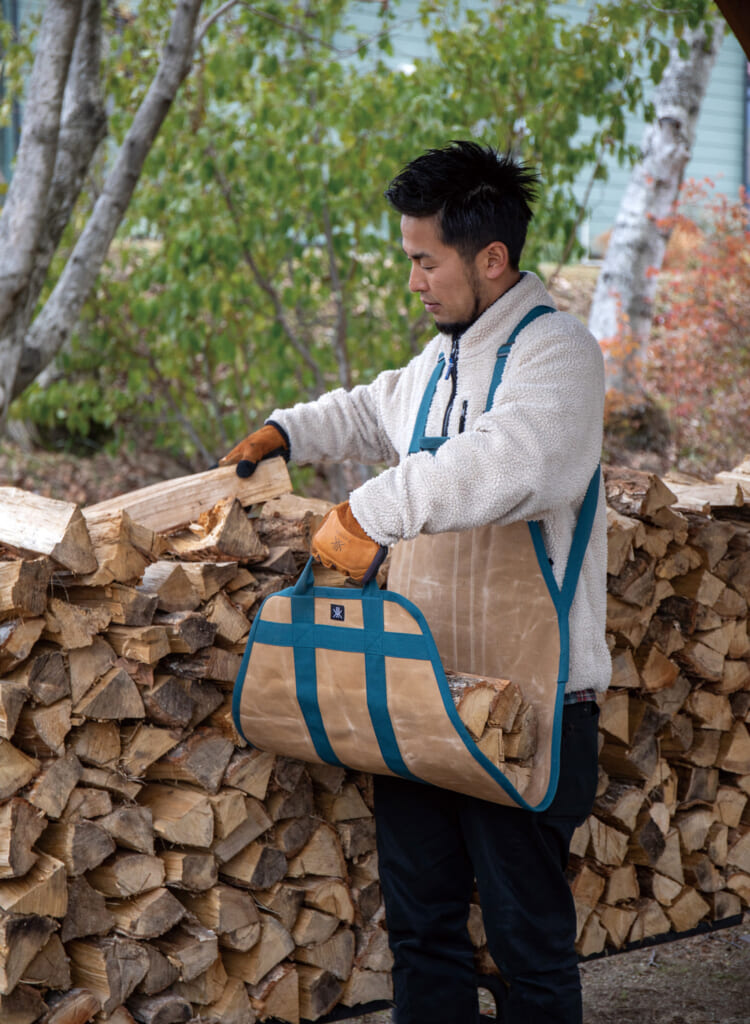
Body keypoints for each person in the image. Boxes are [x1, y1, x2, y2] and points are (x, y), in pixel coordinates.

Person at [221, 140, 610, 1024]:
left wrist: (366, 511)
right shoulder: (443, 361)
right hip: (421, 690)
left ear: (492, 258)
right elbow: (369, 406)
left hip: (532, 704)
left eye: (424, 260)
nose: (414, 280)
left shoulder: (560, 358)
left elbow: (507, 461)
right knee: (425, 934)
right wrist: (285, 431)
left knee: (529, 950)